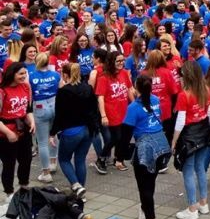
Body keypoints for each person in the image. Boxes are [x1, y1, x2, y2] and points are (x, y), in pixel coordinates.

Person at [121, 74, 171, 219]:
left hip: (145, 149)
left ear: (136, 88)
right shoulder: (156, 100)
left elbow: (125, 134)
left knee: (144, 187)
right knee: (151, 182)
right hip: (161, 145)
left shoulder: (133, 108)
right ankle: (145, 210)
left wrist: (120, 156)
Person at [172, 60, 210, 219]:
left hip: (189, 135)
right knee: (200, 168)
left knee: (188, 171)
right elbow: (209, 113)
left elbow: (181, 121)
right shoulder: (206, 90)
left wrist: (174, 141)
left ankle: (192, 208)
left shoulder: (184, 95)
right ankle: (203, 203)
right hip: (203, 131)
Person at [50, 62, 98, 200]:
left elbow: (59, 115)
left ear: (65, 75)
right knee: (80, 160)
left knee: (64, 159)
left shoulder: (63, 92)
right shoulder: (88, 88)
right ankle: (80, 194)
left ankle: (76, 185)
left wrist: (52, 133)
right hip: (87, 130)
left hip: (71, 131)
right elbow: (94, 109)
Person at [95, 50, 134, 171]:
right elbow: (100, 97)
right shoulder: (104, 77)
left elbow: (129, 89)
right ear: (112, 62)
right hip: (111, 112)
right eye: (118, 61)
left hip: (124, 111)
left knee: (124, 137)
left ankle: (118, 160)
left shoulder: (124, 73)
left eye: (123, 60)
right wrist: (103, 115)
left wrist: (135, 104)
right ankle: (101, 158)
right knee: (116, 137)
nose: (121, 63)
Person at [0, 62, 34, 199]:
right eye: (21, 74)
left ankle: (24, 186)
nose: (24, 76)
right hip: (6, 132)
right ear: (12, 74)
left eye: (25, 73)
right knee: (9, 164)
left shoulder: (26, 87)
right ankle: (9, 193)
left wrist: (32, 121)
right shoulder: (2, 91)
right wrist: (8, 133)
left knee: (26, 159)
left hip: (23, 129)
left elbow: (28, 109)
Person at [29, 52, 61, 183]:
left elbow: (29, 96)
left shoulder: (31, 76)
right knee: (53, 135)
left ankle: (46, 173)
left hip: (40, 107)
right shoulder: (56, 75)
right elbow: (61, 90)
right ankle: (53, 162)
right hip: (54, 104)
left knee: (42, 142)